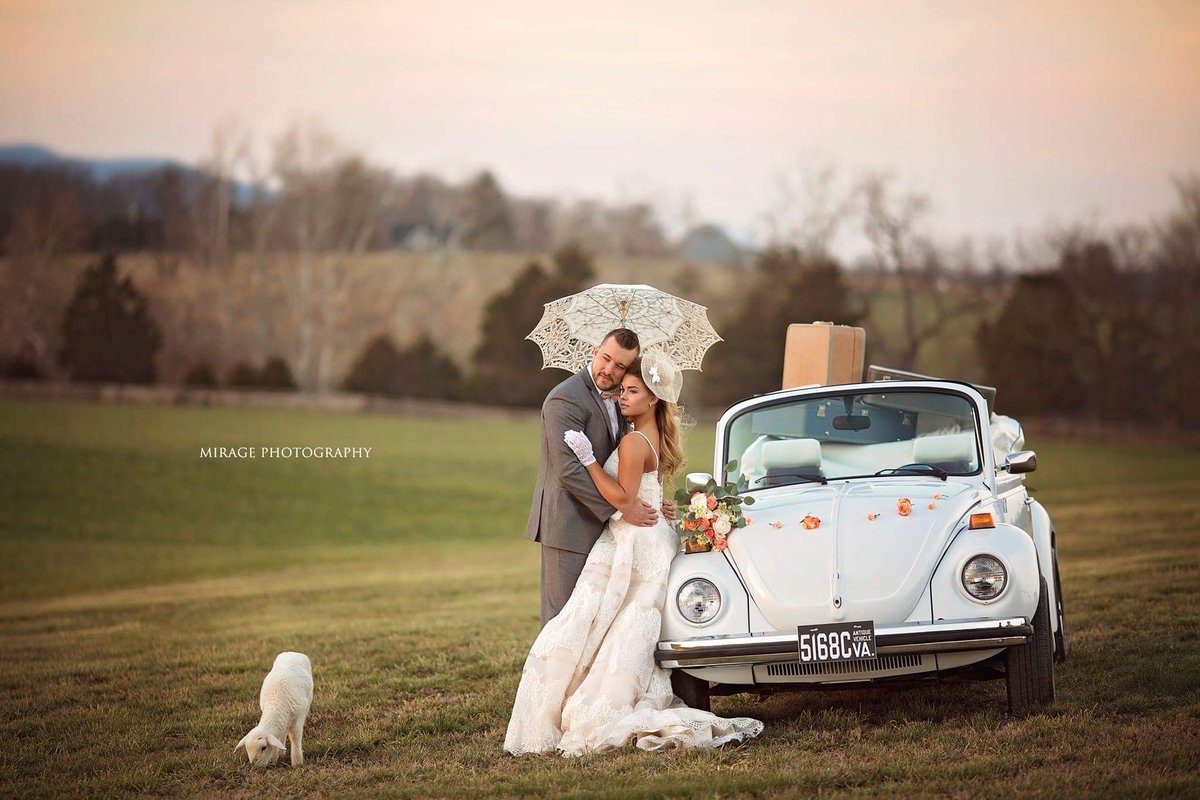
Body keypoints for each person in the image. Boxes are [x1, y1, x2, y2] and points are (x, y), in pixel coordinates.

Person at [505, 350, 764, 756]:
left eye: (631, 391)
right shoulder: (652, 436)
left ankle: (582, 702)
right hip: (652, 535)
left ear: (653, 399)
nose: (622, 396)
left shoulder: (631, 441)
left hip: (632, 539)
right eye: (621, 389)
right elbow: (643, 490)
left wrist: (588, 459)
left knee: (588, 622)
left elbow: (623, 498)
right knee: (617, 627)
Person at [525, 328, 661, 627]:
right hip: (568, 524)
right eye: (606, 358)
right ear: (594, 351)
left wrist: (651, 501)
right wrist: (620, 509)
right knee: (562, 621)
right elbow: (569, 470)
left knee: (591, 620)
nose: (609, 370)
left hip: (606, 532)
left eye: (620, 366)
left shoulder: (619, 397)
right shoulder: (565, 398)